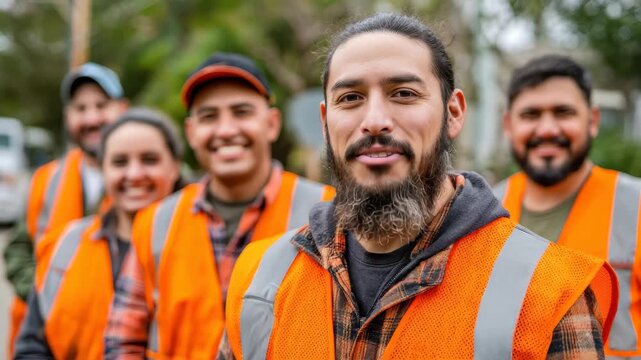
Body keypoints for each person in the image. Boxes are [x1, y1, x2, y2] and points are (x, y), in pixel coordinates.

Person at [219, 13, 619, 359]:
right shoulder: (258, 277)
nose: (375, 120)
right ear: (325, 122)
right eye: (351, 97)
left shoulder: (548, 291)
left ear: (453, 113)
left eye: (404, 94)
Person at [103, 52, 335, 359]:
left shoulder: (329, 211)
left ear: (271, 123)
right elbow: (123, 342)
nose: (225, 130)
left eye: (241, 112)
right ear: (191, 133)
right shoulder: (155, 222)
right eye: (209, 116)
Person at [494, 54, 641, 357]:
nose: (547, 129)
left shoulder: (635, 206)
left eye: (563, 112)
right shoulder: (485, 211)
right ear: (508, 125)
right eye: (531, 114)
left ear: (593, 121)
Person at [14, 108, 184, 359]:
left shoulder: (207, 243)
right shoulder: (65, 246)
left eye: (149, 159)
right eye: (119, 162)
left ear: (175, 167)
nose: (134, 174)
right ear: (103, 170)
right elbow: (32, 346)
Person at [3, 62, 128, 357]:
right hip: (44, 341)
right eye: (80, 108)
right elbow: (18, 247)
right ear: (68, 116)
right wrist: (43, 296)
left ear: (123, 108)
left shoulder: (148, 180)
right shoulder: (45, 180)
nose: (92, 118)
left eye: (101, 105)